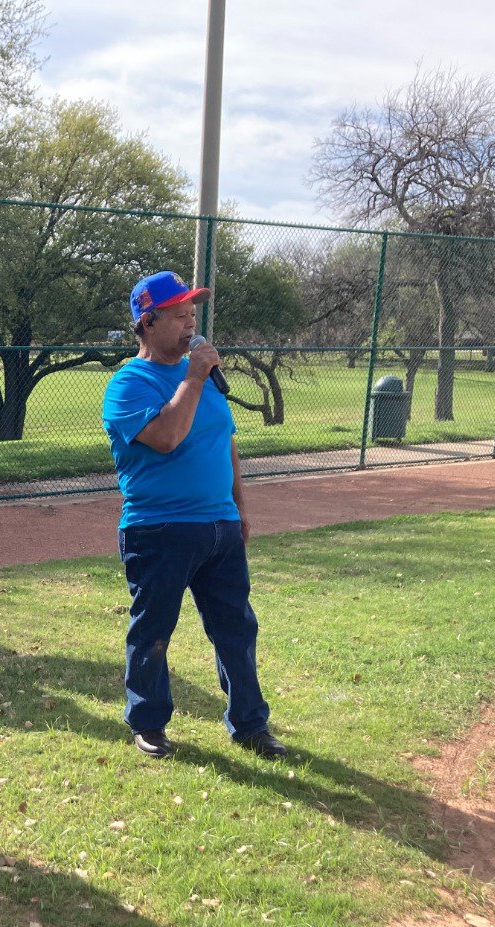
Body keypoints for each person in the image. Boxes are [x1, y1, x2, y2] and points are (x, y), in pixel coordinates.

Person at [100, 270, 288, 762]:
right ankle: (148, 723)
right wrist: (194, 377)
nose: (191, 324)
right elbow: (167, 437)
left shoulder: (205, 381)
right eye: (179, 316)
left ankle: (250, 724)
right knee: (154, 629)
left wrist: (239, 509)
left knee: (236, 629)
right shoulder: (129, 384)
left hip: (219, 526)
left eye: (192, 315)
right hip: (158, 529)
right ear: (148, 323)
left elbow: (226, 442)